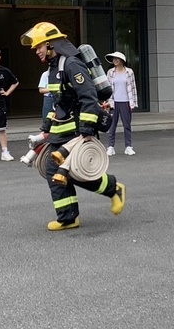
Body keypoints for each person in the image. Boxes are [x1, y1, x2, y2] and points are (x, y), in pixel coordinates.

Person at [21, 22, 125, 231]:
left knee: (73, 171)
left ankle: (113, 189)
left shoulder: (71, 64)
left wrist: (86, 129)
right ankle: (69, 217)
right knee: (56, 172)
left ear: (50, 44)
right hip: (60, 130)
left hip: (76, 131)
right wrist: (47, 125)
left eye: (39, 46)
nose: (36, 51)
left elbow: (89, 97)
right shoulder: (54, 68)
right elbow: (59, 102)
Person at [105, 51, 138, 156]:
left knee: (127, 125)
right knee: (112, 125)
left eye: (117, 58)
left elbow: (133, 88)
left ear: (122, 60)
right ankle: (110, 147)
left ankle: (128, 146)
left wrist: (133, 103)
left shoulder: (129, 72)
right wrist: (107, 102)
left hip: (126, 102)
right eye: (113, 59)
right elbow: (107, 88)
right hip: (113, 102)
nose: (114, 60)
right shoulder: (110, 72)